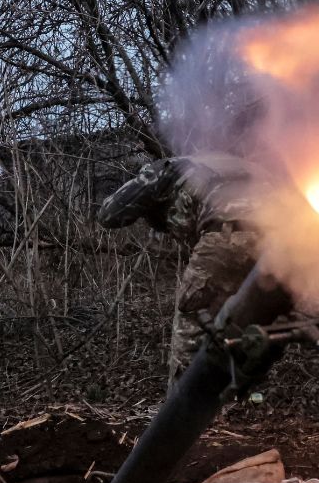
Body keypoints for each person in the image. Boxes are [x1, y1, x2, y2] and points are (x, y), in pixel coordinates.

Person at [98, 153, 258, 383]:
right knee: (303, 322)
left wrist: (146, 194)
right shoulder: (243, 165)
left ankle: (184, 413)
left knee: (193, 322)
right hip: (291, 241)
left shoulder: (168, 168)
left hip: (228, 236)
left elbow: (108, 214)